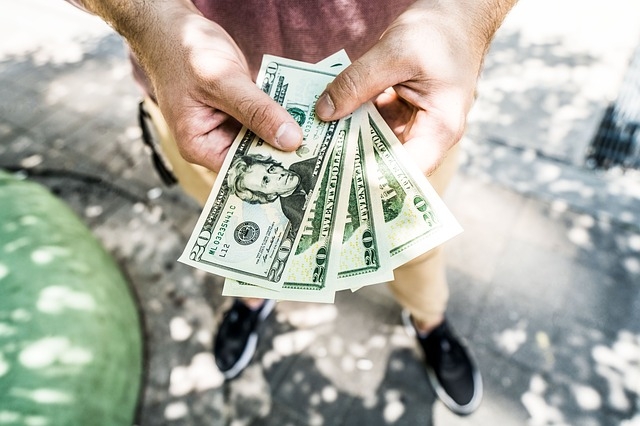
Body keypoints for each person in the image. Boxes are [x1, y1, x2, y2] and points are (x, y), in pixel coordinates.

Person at [66, 0, 517, 416]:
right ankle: (253, 295)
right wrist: (149, 18)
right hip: (200, 105)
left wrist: (464, 18)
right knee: (238, 232)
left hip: (400, 102)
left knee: (412, 241)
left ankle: (429, 320)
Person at [226, 153, 316, 232]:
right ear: (270, 196)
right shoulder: (289, 208)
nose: (279, 175)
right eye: (266, 181)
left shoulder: (300, 167)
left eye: (271, 169)